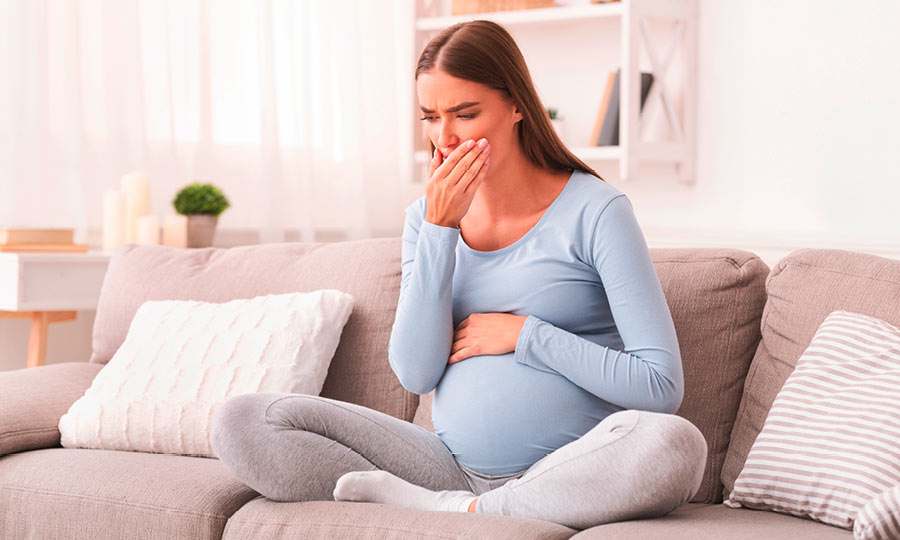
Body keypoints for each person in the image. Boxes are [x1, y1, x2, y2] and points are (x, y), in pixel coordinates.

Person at [209, 20, 707, 530]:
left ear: (517, 106)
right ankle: (460, 503)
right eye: (430, 117)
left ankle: (470, 512)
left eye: (465, 114)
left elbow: (660, 385)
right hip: (444, 467)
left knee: (676, 444)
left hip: (572, 469)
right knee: (243, 422)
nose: (444, 139)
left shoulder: (598, 211)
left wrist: (526, 336)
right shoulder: (424, 220)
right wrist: (439, 228)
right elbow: (416, 373)